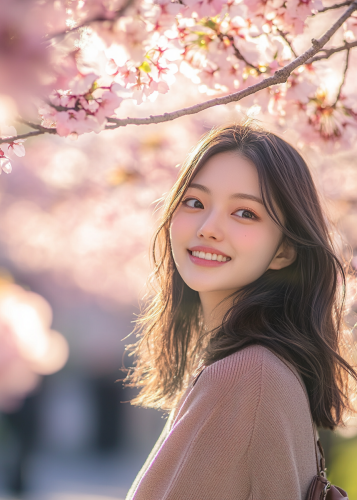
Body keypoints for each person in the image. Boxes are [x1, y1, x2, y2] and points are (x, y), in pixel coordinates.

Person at [123, 123, 357, 500]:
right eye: (195, 202)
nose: (208, 228)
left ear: (285, 250)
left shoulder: (246, 378)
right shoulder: (264, 369)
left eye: (245, 213)